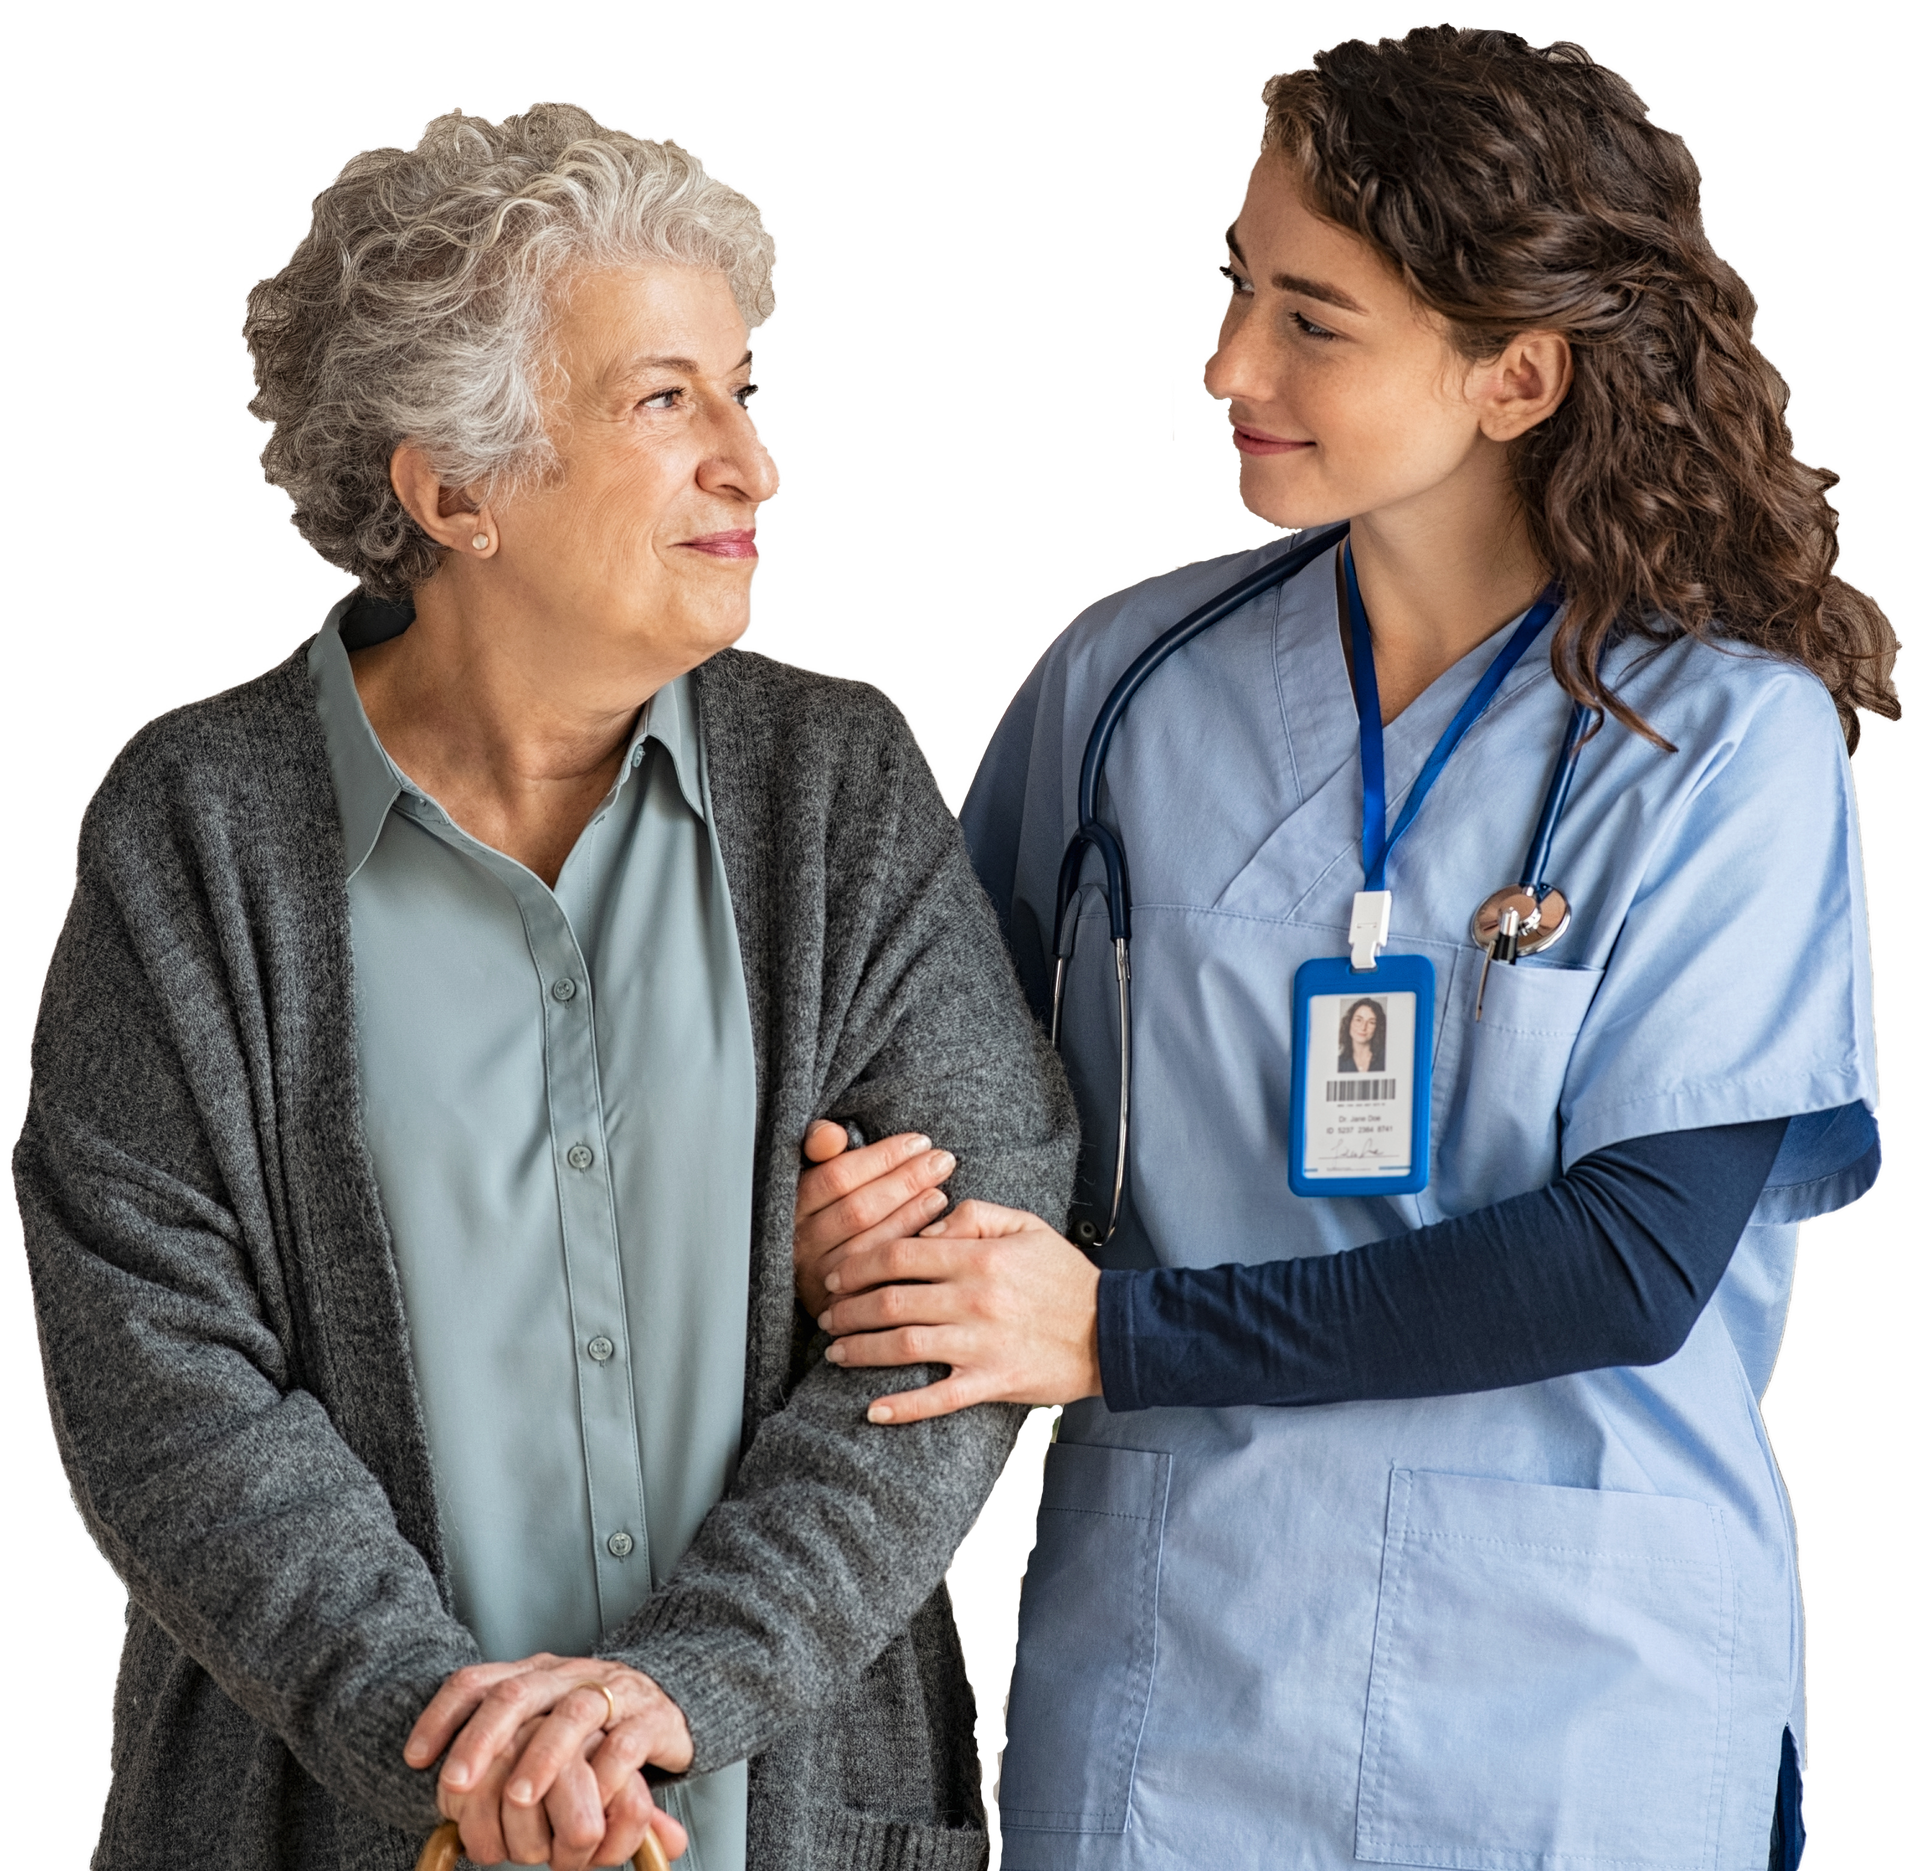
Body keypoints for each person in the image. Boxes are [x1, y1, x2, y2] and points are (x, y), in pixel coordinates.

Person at [795, 26, 1897, 1870]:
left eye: (1315, 317)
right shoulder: (1123, 682)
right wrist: (869, 1210)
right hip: (1178, 1661)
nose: (1228, 363)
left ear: (1515, 373)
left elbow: (1630, 1262)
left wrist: (1115, 1336)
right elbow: (928, 1080)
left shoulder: (1722, 744)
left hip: (1573, 1692)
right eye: (1237, 284)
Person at [12, 99, 1075, 1870]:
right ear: (453, 488)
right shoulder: (196, 825)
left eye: (747, 392)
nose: (757, 465)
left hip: (789, 1817)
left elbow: (963, 1308)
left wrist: (679, 1689)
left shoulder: (839, 780)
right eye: (667, 402)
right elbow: (160, 1377)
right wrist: (455, 1747)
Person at [1336, 997, 1383, 1074]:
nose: (1363, 1027)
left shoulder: (1385, 1059)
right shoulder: (1339, 1063)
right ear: (1349, 1022)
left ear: (1377, 1027)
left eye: (1371, 1022)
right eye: (1358, 1020)